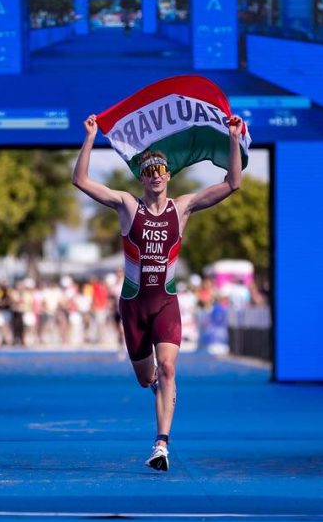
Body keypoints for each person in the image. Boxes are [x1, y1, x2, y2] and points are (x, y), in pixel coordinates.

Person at [72, 113, 243, 472]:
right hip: (134, 307)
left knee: (168, 368)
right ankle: (155, 390)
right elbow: (81, 180)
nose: (155, 177)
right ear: (142, 177)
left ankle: (161, 444)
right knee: (145, 377)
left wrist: (232, 135)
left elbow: (232, 184)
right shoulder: (126, 206)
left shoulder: (181, 208)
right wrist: (90, 137)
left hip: (166, 304)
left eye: (160, 172)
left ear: (168, 176)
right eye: (148, 172)